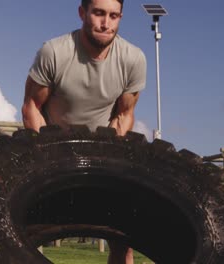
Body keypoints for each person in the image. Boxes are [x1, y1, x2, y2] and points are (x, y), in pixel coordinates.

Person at [22, 0, 146, 263]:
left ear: (121, 17)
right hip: (51, 148)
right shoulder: (54, 52)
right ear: (83, 13)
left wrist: (110, 158)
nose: (106, 23)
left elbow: (124, 115)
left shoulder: (133, 59)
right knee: (21, 233)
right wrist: (49, 154)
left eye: (113, 16)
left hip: (102, 151)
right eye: (99, 13)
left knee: (123, 239)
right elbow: (32, 106)